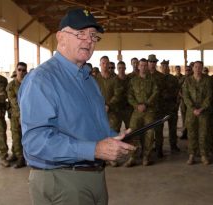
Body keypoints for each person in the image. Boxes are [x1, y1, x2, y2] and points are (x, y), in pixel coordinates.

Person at [18, 8, 135, 205]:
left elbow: (92, 125)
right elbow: (35, 142)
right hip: (62, 181)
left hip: (94, 175)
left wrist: (114, 140)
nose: (89, 41)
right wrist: (94, 149)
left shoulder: (88, 79)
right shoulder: (42, 79)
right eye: (80, 33)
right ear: (60, 37)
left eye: (93, 36)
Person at [125, 58, 158, 167]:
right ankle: (133, 157)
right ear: (138, 67)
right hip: (137, 111)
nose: (143, 67)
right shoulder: (133, 80)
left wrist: (146, 104)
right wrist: (137, 105)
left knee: (149, 133)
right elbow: (129, 95)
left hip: (149, 111)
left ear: (147, 67)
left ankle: (146, 157)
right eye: (141, 65)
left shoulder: (153, 80)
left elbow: (155, 92)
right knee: (133, 132)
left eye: (145, 65)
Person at [182, 61, 213, 165]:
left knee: (203, 134)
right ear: (193, 68)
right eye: (196, 67)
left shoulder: (207, 80)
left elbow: (209, 96)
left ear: (202, 68)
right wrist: (193, 108)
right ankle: (192, 155)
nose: (198, 69)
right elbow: (185, 96)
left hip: (203, 112)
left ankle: (204, 155)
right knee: (191, 134)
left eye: (200, 67)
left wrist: (202, 108)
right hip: (191, 112)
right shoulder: (188, 80)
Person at [6, 62, 27, 168]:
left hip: (27, 116)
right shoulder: (11, 85)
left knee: (26, 136)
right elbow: (14, 101)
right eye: (19, 70)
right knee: (16, 136)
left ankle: (22, 157)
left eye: (24, 70)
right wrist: (20, 115)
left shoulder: (29, 83)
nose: (21, 72)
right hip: (16, 115)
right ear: (16, 70)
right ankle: (18, 156)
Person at [94, 56, 123, 132]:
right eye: (103, 63)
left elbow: (118, 94)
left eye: (107, 63)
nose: (105, 65)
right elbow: (92, 94)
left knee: (113, 134)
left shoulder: (115, 78)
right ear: (100, 64)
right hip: (98, 111)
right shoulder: (95, 79)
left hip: (113, 112)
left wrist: (108, 105)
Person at [160, 60, 180, 153]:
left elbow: (178, 92)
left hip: (171, 107)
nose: (164, 68)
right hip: (160, 107)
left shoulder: (173, 78)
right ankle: (159, 147)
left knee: (173, 128)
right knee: (159, 129)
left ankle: (173, 146)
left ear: (168, 67)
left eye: (166, 66)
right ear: (160, 67)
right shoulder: (157, 78)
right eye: (163, 66)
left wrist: (176, 104)